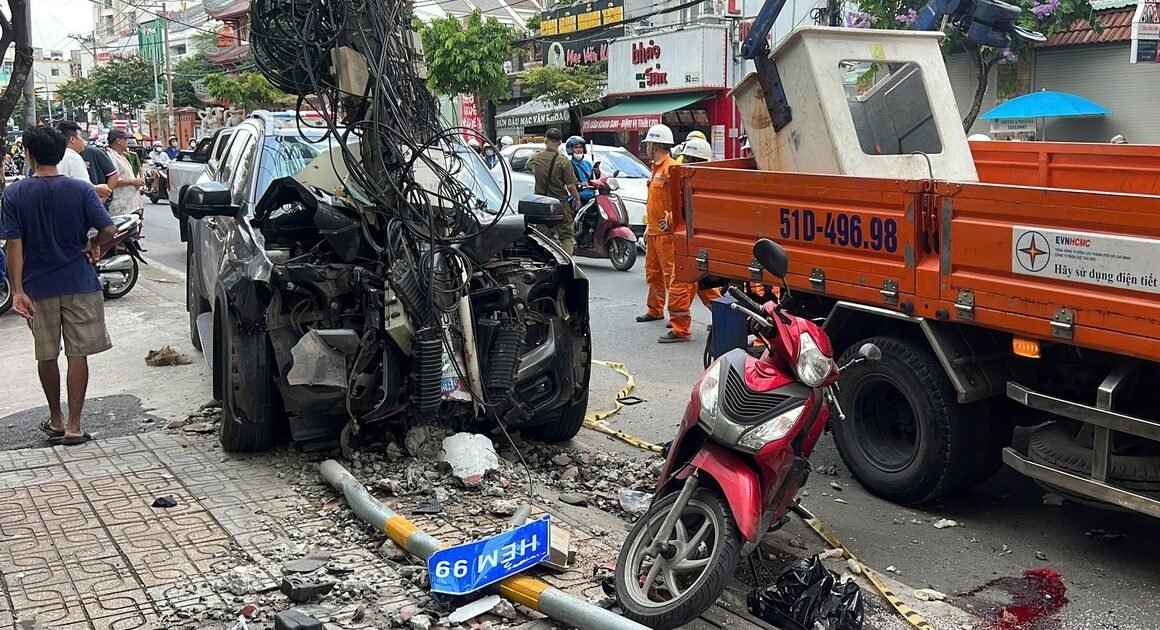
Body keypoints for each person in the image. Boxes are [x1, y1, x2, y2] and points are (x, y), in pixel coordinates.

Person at [0, 126, 117, 445]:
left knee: (47, 355)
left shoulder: (15, 193)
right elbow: (108, 229)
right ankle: (75, 426)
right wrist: (92, 243)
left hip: (38, 287)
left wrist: (18, 290)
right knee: (78, 354)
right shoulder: (81, 190)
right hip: (80, 281)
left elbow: (14, 243)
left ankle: (55, 419)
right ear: (63, 152)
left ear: (29, 154)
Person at [636, 124, 696, 343]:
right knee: (653, 273)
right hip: (654, 232)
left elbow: (683, 200)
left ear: (654, 145)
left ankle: (679, 323)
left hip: (667, 234)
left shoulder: (671, 168)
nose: (647, 147)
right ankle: (655, 310)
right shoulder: (656, 168)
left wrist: (670, 219)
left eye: (648, 144)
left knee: (675, 280)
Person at [527, 127, 580, 255]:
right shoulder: (563, 161)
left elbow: (528, 166)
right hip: (559, 203)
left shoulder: (535, 158)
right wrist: (577, 198)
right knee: (566, 235)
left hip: (540, 203)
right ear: (560, 142)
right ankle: (567, 264)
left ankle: (544, 261)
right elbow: (570, 186)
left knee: (542, 236)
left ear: (545, 140)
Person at [53, 121, 113, 202]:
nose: (84, 141)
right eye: (81, 136)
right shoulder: (74, 157)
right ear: (73, 139)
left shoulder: (56, 156)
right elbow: (84, 188)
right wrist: (98, 189)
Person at [105, 130, 145, 220]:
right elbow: (113, 180)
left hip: (131, 203)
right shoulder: (111, 157)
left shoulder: (122, 155)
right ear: (118, 141)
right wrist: (133, 181)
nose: (127, 142)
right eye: (125, 140)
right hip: (121, 205)